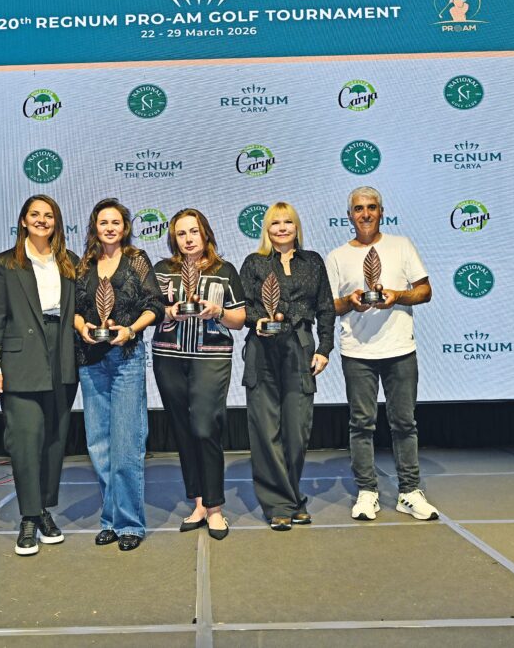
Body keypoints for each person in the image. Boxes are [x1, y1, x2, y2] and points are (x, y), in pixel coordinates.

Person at [325, 186, 439, 522]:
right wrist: (350, 302)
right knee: (361, 424)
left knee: (404, 423)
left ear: (381, 212)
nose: (365, 214)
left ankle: (409, 492)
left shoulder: (401, 246)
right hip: (357, 352)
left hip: (400, 349)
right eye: (359, 208)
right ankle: (367, 492)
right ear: (349, 215)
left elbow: (425, 291)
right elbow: (328, 306)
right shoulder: (336, 256)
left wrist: (397, 296)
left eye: (371, 207)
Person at [0, 194, 80, 556]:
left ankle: (43, 510)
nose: (42, 220)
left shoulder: (70, 262)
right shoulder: (5, 264)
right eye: (35, 214)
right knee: (25, 439)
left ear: (56, 222)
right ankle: (28, 516)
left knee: (54, 439)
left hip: (62, 355)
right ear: (23, 220)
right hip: (20, 359)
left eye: (48, 215)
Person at [73, 198, 164, 551]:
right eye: (103, 222)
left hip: (126, 357)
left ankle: (130, 524)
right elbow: (74, 309)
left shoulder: (137, 260)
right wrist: (81, 327)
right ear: (95, 228)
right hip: (90, 359)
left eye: (116, 222)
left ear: (125, 227)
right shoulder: (85, 264)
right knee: (99, 445)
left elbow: (154, 305)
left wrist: (131, 330)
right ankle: (110, 519)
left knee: (127, 443)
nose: (110, 228)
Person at [239, 202, 335, 531]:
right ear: (266, 229)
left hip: (300, 347)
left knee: (297, 431)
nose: (282, 228)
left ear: (296, 227)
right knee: (266, 432)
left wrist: (324, 348)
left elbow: (326, 308)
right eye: (275, 223)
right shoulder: (254, 263)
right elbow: (244, 307)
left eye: (288, 222)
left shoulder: (313, 262)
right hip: (261, 350)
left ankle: (292, 497)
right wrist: (259, 320)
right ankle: (279, 505)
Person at [153, 209, 246, 541]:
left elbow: (240, 319)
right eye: (181, 233)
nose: (189, 238)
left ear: (205, 233)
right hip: (168, 357)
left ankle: (215, 506)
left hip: (211, 356)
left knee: (205, 428)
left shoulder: (225, 270)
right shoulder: (162, 271)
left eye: (194, 231)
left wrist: (217, 312)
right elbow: (149, 311)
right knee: (183, 431)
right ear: (173, 239)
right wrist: (168, 311)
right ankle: (198, 504)